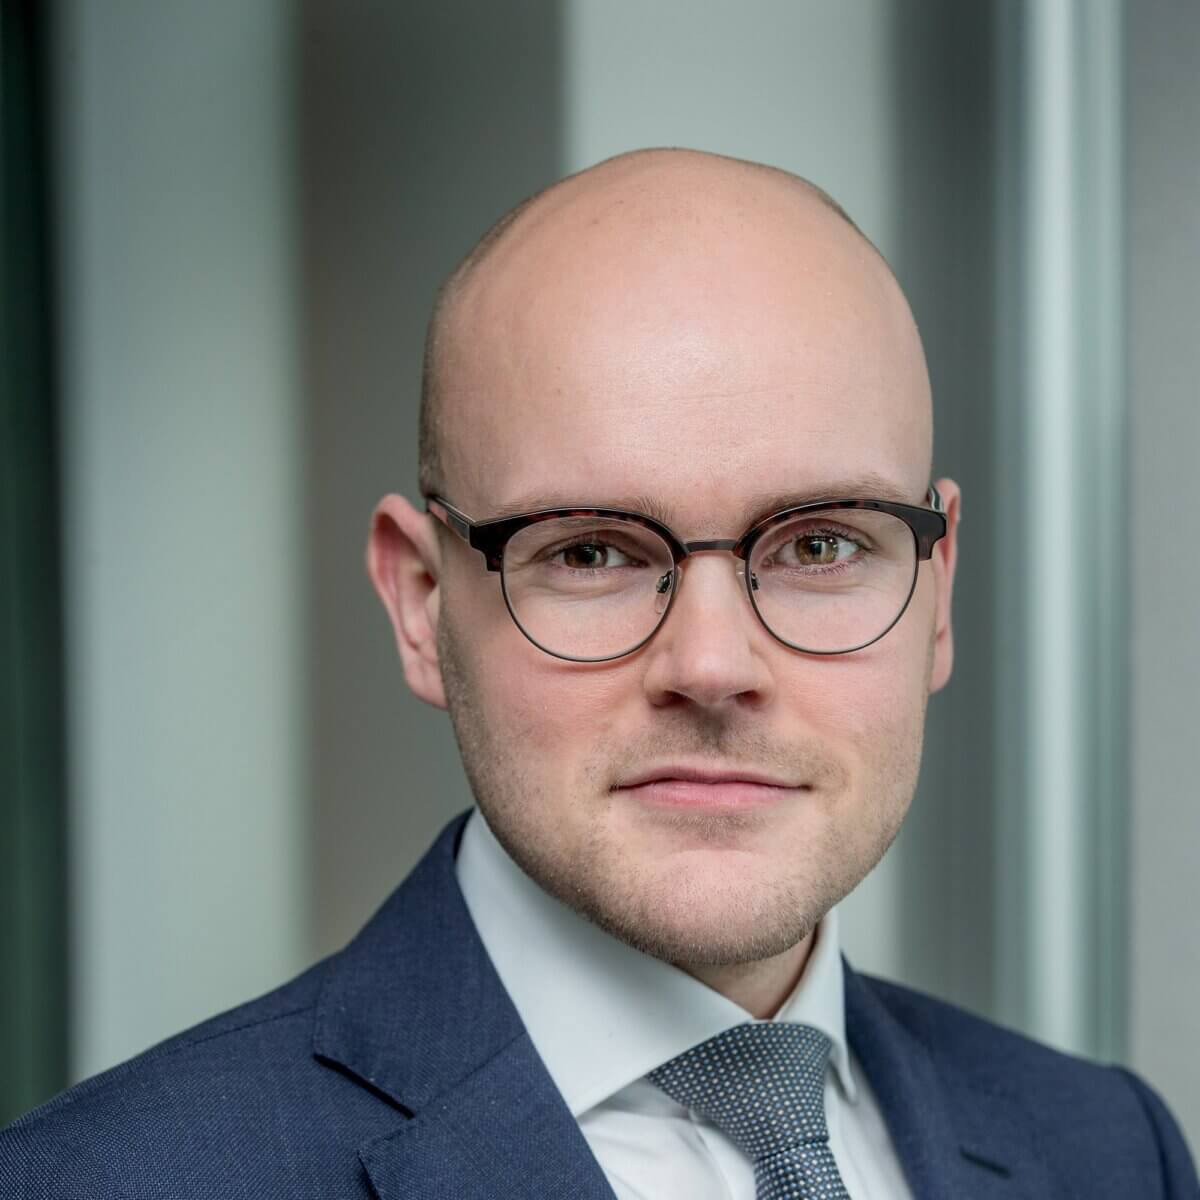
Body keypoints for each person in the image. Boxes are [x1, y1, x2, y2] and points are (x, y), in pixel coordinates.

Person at [1, 148, 1195, 1199]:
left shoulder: (1110, 1153)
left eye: (821, 546)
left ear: (937, 592)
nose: (713, 665)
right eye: (591, 554)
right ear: (421, 603)